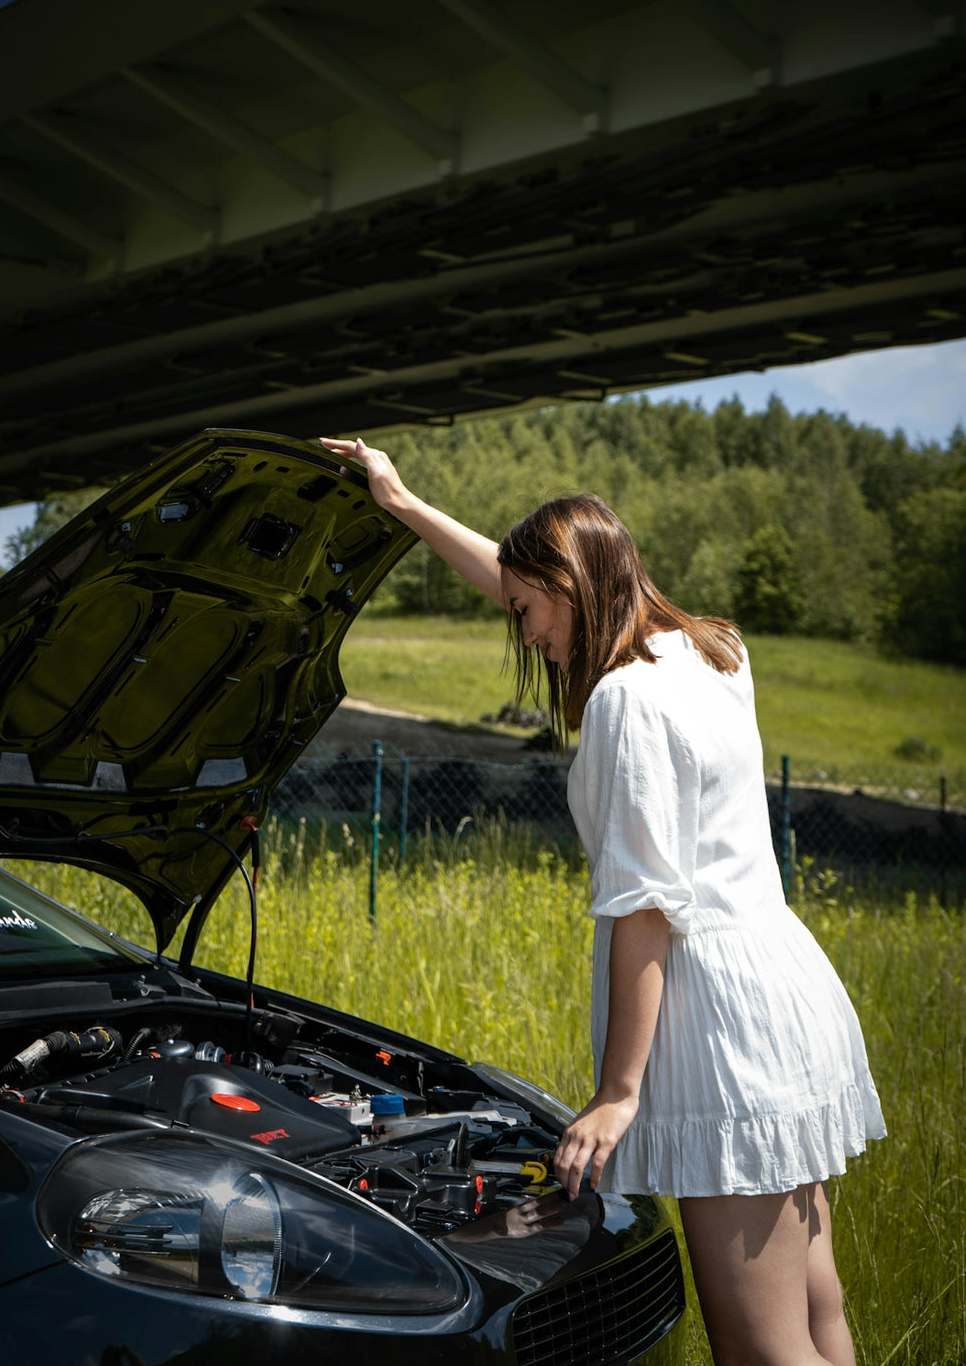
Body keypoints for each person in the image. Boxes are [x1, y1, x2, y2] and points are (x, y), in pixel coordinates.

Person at [320, 436, 886, 1366]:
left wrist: (619, 1094)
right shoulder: (715, 650)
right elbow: (516, 572)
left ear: (574, 587)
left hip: (720, 1036)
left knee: (760, 1348)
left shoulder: (625, 700)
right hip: (784, 996)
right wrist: (403, 503)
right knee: (820, 1319)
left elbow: (645, 907)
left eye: (530, 611)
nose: (526, 635)